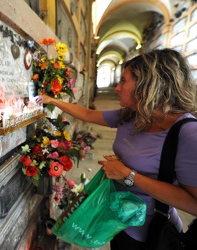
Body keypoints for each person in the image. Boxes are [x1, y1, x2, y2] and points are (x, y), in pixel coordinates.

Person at [35, 48, 197, 249]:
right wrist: (52, 101)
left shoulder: (187, 132)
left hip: (149, 235)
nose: (117, 88)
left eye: (123, 81)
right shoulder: (133, 115)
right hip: (116, 221)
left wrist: (129, 174)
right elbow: (86, 114)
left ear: (147, 85)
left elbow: (194, 204)